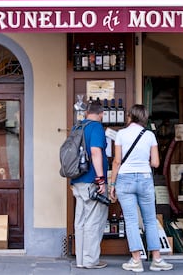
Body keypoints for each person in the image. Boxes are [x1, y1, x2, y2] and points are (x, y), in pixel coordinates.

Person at [110, 104, 173, 272]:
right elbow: (155, 163)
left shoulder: (121, 134)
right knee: (150, 220)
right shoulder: (150, 135)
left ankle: (136, 260)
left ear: (130, 115)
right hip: (145, 178)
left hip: (125, 179)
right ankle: (157, 259)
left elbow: (117, 162)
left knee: (131, 221)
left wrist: (112, 184)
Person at [70, 100, 109, 269]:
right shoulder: (96, 127)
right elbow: (95, 152)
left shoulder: (77, 127)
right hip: (91, 181)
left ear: (86, 112)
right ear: (101, 114)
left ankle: (81, 260)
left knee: (80, 221)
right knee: (93, 221)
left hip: (77, 180)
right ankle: (91, 260)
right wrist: (101, 179)